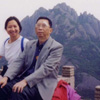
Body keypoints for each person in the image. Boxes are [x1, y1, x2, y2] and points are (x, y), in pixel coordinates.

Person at [0, 16, 63, 100]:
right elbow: (19, 61)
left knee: (18, 92)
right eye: (38, 25)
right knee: (2, 87)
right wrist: (6, 77)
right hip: (24, 78)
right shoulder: (30, 44)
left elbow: (46, 68)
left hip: (41, 83)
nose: (40, 28)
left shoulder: (56, 47)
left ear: (50, 30)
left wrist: (25, 81)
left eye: (43, 26)